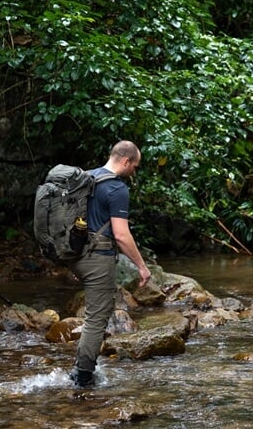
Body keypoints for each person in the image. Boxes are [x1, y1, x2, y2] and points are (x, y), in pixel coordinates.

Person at [70, 140, 151, 388]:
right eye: (134, 166)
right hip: (99, 258)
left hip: (76, 255)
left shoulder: (85, 177)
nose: (133, 172)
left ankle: (82, 371)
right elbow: (121, 235)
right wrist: (141, 266)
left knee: (92, 316)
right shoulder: (117, 189)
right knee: (96, 319)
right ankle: (82, 376)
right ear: (125, 161)